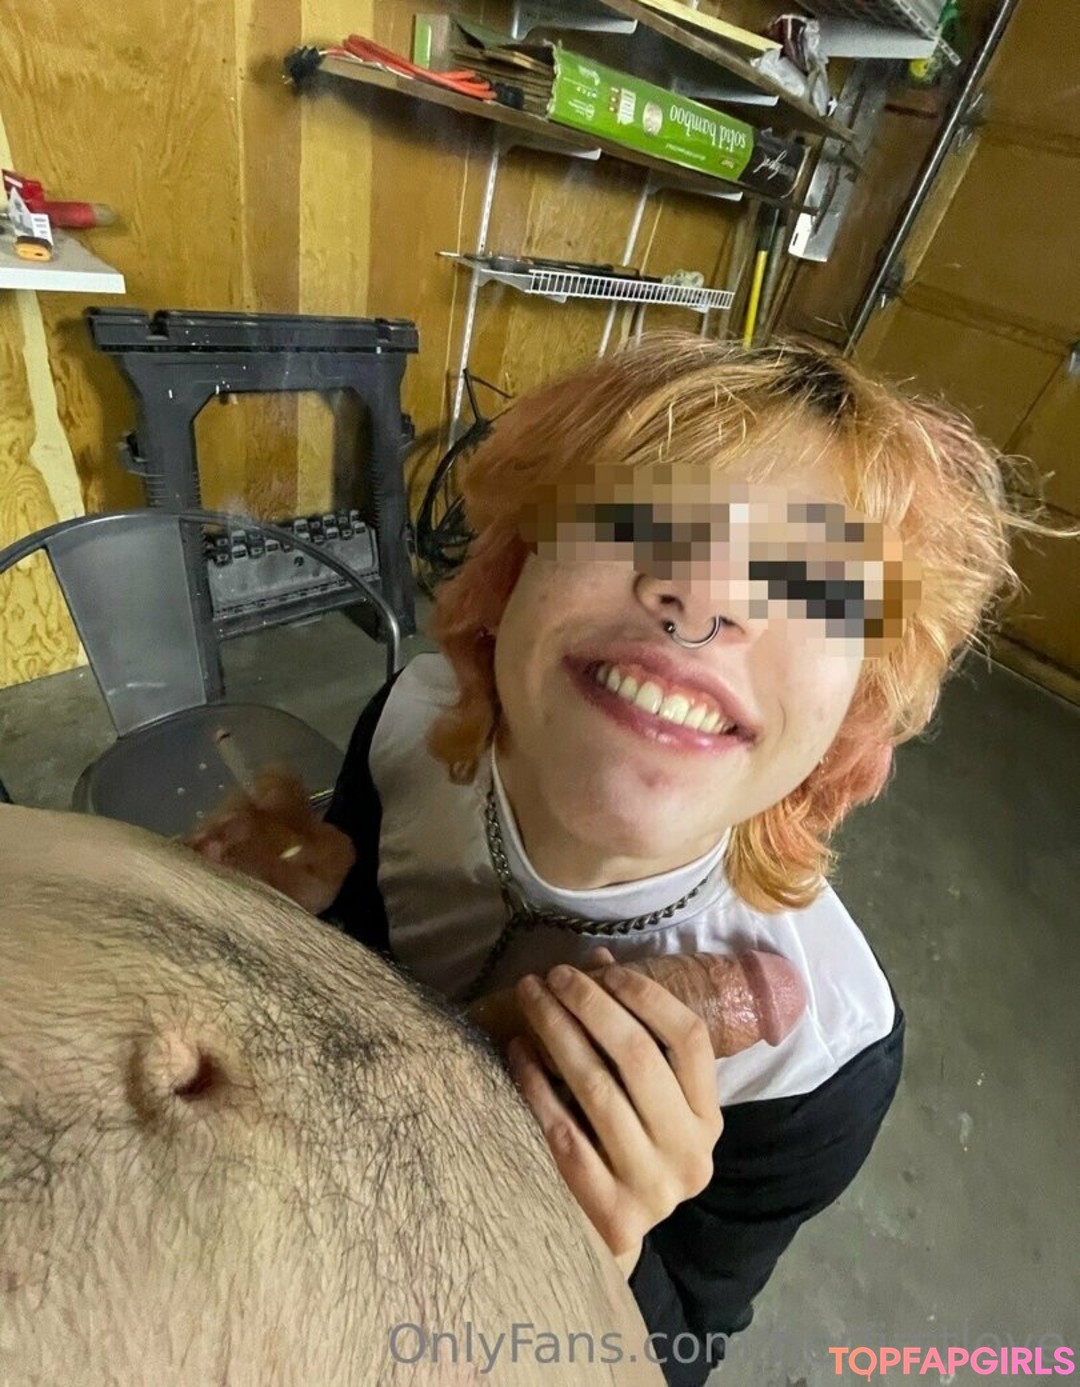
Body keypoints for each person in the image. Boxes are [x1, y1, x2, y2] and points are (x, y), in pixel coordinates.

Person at [189, 334, 1031, 1386]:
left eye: (811, 579)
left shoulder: (823, 1055)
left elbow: (682, 1347)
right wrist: (300, 924)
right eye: (638, 513)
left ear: (855, 714)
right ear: (514, 573)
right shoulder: (404, 725)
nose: (699, 601)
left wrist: (603, 1257)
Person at [0, 804, 667, 1385]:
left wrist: (609, 1253)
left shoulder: (734, 1032)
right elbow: (364, 1003)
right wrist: (271, 915)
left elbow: (689, 1337)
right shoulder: (400, 739)